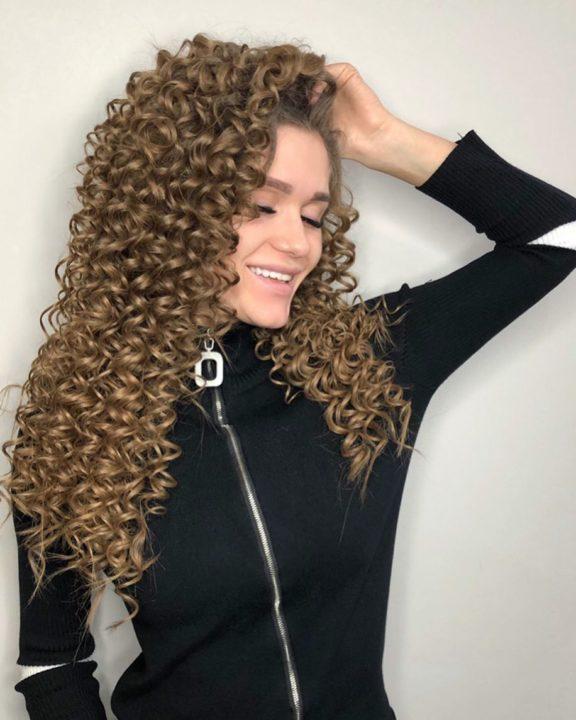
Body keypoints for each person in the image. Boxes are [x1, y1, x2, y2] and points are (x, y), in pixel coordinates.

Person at [1, 34, 575, 720]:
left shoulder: (362, 366)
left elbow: (557, 235)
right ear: (172, 209)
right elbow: (53, 664)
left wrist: (385, 141)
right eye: (260, 206)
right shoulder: (81, 412)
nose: (299, 243)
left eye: (313, 214)